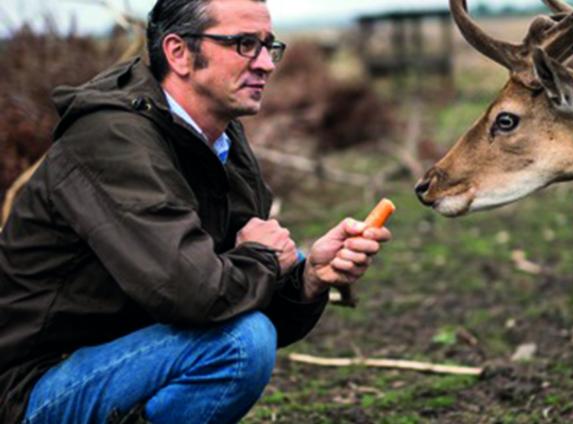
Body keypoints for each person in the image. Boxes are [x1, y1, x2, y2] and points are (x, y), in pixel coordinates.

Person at [0, 0, 391, 422]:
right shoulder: (109, 141)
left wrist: (308, 279)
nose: (265, 64)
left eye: (268, 46)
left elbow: (236, 297)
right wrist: (262, 258)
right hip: (37, 385)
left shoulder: (221, 138)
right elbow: (193, 294)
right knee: (240, 345)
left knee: (281, 273)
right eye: (243, 44)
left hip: (125, 355)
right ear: (178, 52)